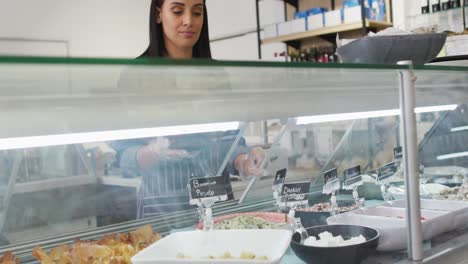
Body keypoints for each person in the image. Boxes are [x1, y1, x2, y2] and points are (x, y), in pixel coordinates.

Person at [111, 0, 265, 219]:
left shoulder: (216, 74)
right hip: (163, 207)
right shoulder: (135, 76)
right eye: (177, 11)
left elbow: (229, 139)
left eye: (197, 12)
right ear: (158, 14)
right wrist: (151, 153)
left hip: (216, 201)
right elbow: (122, 154)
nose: (189, 21)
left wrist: (243, 161)